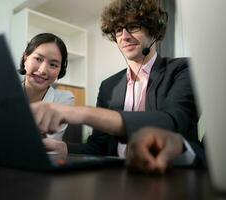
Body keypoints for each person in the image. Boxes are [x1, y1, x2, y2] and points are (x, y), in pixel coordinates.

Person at [30, 0, 202, 172]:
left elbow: (174, 121)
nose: (124, 36)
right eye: (118, 30)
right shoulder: (109, 86)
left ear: (154, 30)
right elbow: (98, 147)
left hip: (168, 175)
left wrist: (82, 112)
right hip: (115, 177)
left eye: (133, 26)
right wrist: (65, 148)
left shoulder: (183, 69)